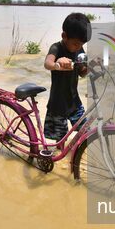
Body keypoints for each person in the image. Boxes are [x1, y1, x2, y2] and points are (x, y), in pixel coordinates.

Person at [43, 13, 91, 141]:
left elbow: (82, 72)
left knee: (85, 131)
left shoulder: (79, 50)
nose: (79, 47)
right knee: (61, 139)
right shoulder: (56, 48)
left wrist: (91, 67)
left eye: (82, 44)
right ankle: (60, 159)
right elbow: (47, 64)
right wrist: (57, 64)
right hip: (58, 105)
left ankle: (76, 156)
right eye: (76, 44)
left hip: (74, 102)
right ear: (64, 36)